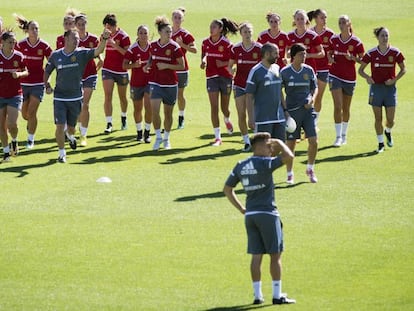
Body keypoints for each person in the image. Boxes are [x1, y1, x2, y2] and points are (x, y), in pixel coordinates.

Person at [223, 132, 296, 305]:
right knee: (275, 255)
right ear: (259, 146)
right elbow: (289, 156)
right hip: (268, 214)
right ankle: (277, 295)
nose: (272, 149)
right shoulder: (265, 163)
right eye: (269, 145)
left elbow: (227, 189)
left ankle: (257, 296)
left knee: (256, 256)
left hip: (250, 216)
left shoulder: (240, 165)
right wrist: (280, 142)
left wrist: (242, 208)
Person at [44, 28, 110, 163]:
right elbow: (47, 72)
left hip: (75, 98)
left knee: (72, 128)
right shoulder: (56, 55)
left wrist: (104, 39)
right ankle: (62, 154)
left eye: (78, 38)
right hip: (60, 97)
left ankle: (70, 136)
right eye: (74, 38)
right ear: (66, 39)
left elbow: (98, 51)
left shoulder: (82, 53)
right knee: (60, 126)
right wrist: (47, 85)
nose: (77, 40)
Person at [358, 27, 406, 153]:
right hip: (376, 89)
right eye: (382, 36)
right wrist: (368, 78)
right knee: (378, 118)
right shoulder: (371, 53)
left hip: (390, 89)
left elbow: (403, 69)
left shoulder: (395, 52)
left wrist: (394, 80)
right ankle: (380, 144)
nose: (385, 38)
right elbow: (360, 70)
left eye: (386, 36)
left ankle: (388, 131)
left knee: (390, 120)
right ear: (378, 38)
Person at [143, 16, 184, 151]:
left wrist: (166, 65)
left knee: (168, 114)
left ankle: (166, 138)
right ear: (160, 32)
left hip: (171, 85)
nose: (169, 34)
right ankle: (158, 138)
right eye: (167, 31)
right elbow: (151, 58)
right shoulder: (153, 45)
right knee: (155, 111)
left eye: (170, 31)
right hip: (155, 83)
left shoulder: (175, 47)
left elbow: (181, 66)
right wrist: (147, 65)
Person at [281, 43, 319, 184]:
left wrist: (312, 99)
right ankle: (290, 173)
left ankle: (310, 168)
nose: (304, 57)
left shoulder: (308, 70)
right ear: (293, 56)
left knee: (314, 141)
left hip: (308, 112)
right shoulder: (285, 72)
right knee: (291, 144)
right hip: (292, 114)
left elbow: (314, 88)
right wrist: (285, 111)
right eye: (301, 54)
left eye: (305, 54)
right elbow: (279, 91)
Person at [14, 14, 52, 149]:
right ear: (27, 30)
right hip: (22, 84)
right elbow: (14, 60)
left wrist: (47, 83)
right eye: (32, 28)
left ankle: (31, 139)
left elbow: (51, 63)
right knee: (25, 115)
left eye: (37, 28)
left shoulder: (44, 45)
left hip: (38, 83)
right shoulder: (20, 44)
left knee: (32, 111)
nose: (35, 31)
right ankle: (29, 124)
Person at [201, 18, 238, 146]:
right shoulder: (205, 42)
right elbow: (204, 54)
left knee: (224, 108)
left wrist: (222, 63)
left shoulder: (227, 44)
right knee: (214, 107)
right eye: (210, 27)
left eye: (214, 27)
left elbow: (233, 60)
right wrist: (203, 61)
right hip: (211, 77)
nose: (211, 29)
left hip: (225, 77)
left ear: (220, 29)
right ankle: (218, 137)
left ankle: (227, 118)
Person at [328, 15, 364, 147]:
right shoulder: (334, 39)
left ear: (349, 24)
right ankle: (338, 137)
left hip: (349, 78)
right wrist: (330, 58)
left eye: (344, 22)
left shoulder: (356, 42)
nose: (341, 25)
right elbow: (329, 53)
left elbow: (362, 61)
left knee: (346, 108)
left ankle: (344, 135)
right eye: (339, 22)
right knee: (337, 106)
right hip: (335, 75)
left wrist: (352, 58)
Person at [228, 22, 262, 152]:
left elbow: (263, 66)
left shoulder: (259, 48)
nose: (247, 34)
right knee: (241, 114)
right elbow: (230, 65)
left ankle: (257, 140)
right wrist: (231, 70)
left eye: (249, 32)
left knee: (254, 114)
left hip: (255, 86)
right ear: (241, 33)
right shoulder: (236, 49)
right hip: (239, 85)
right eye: (245, 32)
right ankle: (247, 141)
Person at [246, 43, 285, 141]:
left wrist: (286, 111)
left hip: (279, 117)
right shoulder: (256, 71)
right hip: (262, 119)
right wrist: (251, 118)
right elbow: (249, 96)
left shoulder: (277, 68)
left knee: (280, 146)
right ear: (267, 54)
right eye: (275, 53)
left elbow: (280, 91)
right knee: (263, 149)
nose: (278, 56)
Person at [0, 30, 29, 162]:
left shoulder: (18, 56)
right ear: (2, 43)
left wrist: (19, 75)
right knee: (1, 126)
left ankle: (14, 140)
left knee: (12, 124)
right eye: (10, 42)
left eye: (14, 42)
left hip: (15, 95)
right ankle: (6, 152)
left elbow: (26, 71)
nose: (12, 45)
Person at [75, 13, 103, 147]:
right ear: (75, 25)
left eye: (83, 24)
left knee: (85, 104)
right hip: (76, 75)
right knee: (77, 105)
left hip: (90, 74)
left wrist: (99, 63)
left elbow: (99, 55)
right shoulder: (72, 39)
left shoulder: (92, 38)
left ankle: (83, 135)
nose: (81, 27)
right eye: (79, 24)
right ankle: (73, 127)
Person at [102, 13, 130, 133]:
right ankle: (109, 123)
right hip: (107, 69)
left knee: (122, 97)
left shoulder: (124, 36)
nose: (107, 30)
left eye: (109, 28)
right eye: (105, 27)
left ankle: (123, 117)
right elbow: (100, 49)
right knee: (108, 95)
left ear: (115, 26)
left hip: (121, 70)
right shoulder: (104, 35)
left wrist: (114, 45)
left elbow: (128, 54)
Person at [123, 25, 152, 143]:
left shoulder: (153, 48)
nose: (143, 36)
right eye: (141, 33)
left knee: (148, 107)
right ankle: (139, 132)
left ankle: (147, 133)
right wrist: (134, 65)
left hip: (150, 82)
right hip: (136, 83)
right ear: (137, 35)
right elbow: (124, 65)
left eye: (145, 33)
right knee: (137, 108)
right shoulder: (132, 49)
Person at [171, 7, 197, 129]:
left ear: (183, 19)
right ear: (172, 18)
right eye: (175, 17)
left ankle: (181, 117)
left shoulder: (185, 34)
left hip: (181, 68)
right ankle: (168, 118)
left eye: (179, 18)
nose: (177, 20)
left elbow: (195, 50)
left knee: (179, 94)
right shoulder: (166, 31)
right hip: (168, 68)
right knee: (168, 94)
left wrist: (182, 45)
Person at [308, 9, 335, 129]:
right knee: (308, 96)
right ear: (316, 19)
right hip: (310, 69)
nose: (324, 20)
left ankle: (314, 122)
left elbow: (333, 50)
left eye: (325, 17)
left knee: (318, 97)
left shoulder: (330, 34)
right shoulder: (309, 33)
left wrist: (331, 56)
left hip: (324, 69)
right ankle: (307, 121)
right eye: (322, 17)